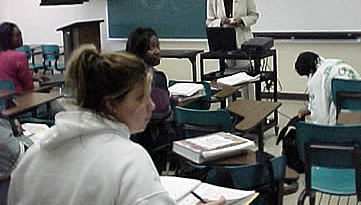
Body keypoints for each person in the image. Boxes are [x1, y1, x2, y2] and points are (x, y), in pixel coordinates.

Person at [8, 45, 225, 205]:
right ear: (111, 103)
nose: (151, 106)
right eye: (140, 98)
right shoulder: (129, 159)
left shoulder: (33, 155)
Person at [126, 27, 177, 170]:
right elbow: (163, 113)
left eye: (158, 46)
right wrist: (172, 102)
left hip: (132, 138)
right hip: (155, 138)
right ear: (139, 51)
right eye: (151, 48)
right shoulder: (156, 78)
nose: (157, 51)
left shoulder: (125, 73)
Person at [206, 0, 259, 99]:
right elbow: (209, 22)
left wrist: (241, 20)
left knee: (246, 76)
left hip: (243, 40)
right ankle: (231, 109)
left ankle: (250, 107)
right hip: (224, 42)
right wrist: (220, 22)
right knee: (228, 77)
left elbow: (254, 15)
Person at [294, 51, 360, 125]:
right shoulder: (334, 62)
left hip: (341, 119)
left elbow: (321, 115)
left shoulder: (317, 78)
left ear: (310, 71)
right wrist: (310, 109)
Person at [0, 22, 47, 93]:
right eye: (17, 36)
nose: (21, 38)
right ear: (7, 39)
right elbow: (29, 86)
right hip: (20, 100)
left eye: (20, 34)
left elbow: (7, 78)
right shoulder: (19, 56)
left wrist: (32, 77)